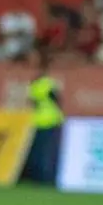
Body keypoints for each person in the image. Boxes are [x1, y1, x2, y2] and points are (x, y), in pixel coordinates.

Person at [22, 54, 64, 185]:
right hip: (52, 120)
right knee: (49, 152)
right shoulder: (49, 83)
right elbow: (57, 99)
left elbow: (31, 102)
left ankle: (36, 176)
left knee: (37, 151)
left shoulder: (34, 85)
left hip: (38, 121)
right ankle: (48, 177)